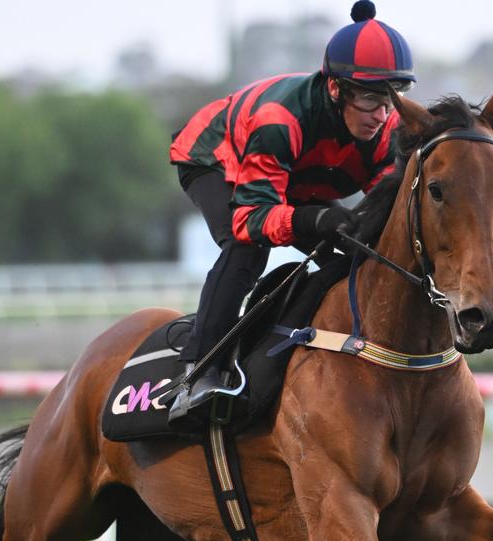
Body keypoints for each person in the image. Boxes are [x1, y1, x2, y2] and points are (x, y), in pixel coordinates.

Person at [167, 0, 415, 421]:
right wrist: (315, 219)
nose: (383, 114)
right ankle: (199, 373)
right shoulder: (279, 120)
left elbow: (385, 213)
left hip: (295, 174)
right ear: (336, 88)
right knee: (245, 248)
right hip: (217, 159)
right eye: (372, 99)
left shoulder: (385, 129)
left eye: (393, 98)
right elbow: (252, 220)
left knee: (355, 246)